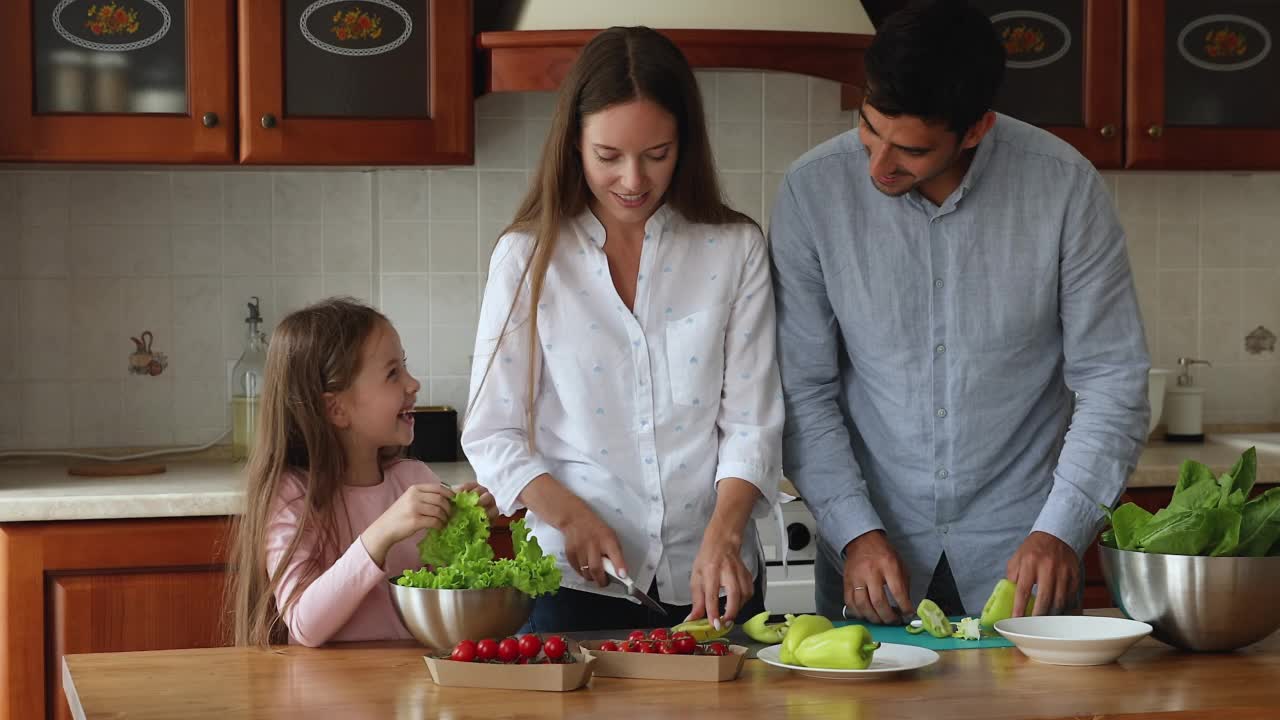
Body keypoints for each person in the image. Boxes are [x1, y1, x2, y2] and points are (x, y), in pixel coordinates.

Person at [768, 0, 1150, 625]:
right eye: (869, 129)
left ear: (976, 129)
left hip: (1025, 559)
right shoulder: (813, 191)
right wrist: (854, 532)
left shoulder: (1064, 188)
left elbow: (1113, 382)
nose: (877, 166)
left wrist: (1061, 530)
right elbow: (803, 389)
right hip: (871, 560)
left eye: (910, 150)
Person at [461, 26, 783, 633]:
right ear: (574, 145)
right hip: (573, 582)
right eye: (608, 157)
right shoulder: (527, 257)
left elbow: (752, 421)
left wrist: (726, 530)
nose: (633, 180)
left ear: (684, 144)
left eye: (656, 154)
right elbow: (493, 432)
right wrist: (572, 518)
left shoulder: (733, 249)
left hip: (713, 575)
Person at [228, 298, 497, 647]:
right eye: (392, 374)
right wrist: (381, 533)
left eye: (405, 367)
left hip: (411, 689)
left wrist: (466, 527)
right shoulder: (292, 495)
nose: (413, 384)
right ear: (336, 408)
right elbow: (305, 624)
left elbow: (441, 597)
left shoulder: (415, 479)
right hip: (327, 697)